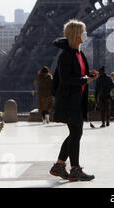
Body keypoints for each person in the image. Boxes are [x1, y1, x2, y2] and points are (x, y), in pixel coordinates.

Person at [49, 20, 96, 182]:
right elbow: (66, 79)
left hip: (77, 99)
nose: (85, 34)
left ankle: (60, 165)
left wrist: (90, 75)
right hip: (69, 101)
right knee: (76, 133)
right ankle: (74, 169)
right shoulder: (66, 56)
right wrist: (85, 80)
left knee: (75, 133)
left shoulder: (79, 53)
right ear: (76, 35)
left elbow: (81, 73)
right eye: (83, 31)